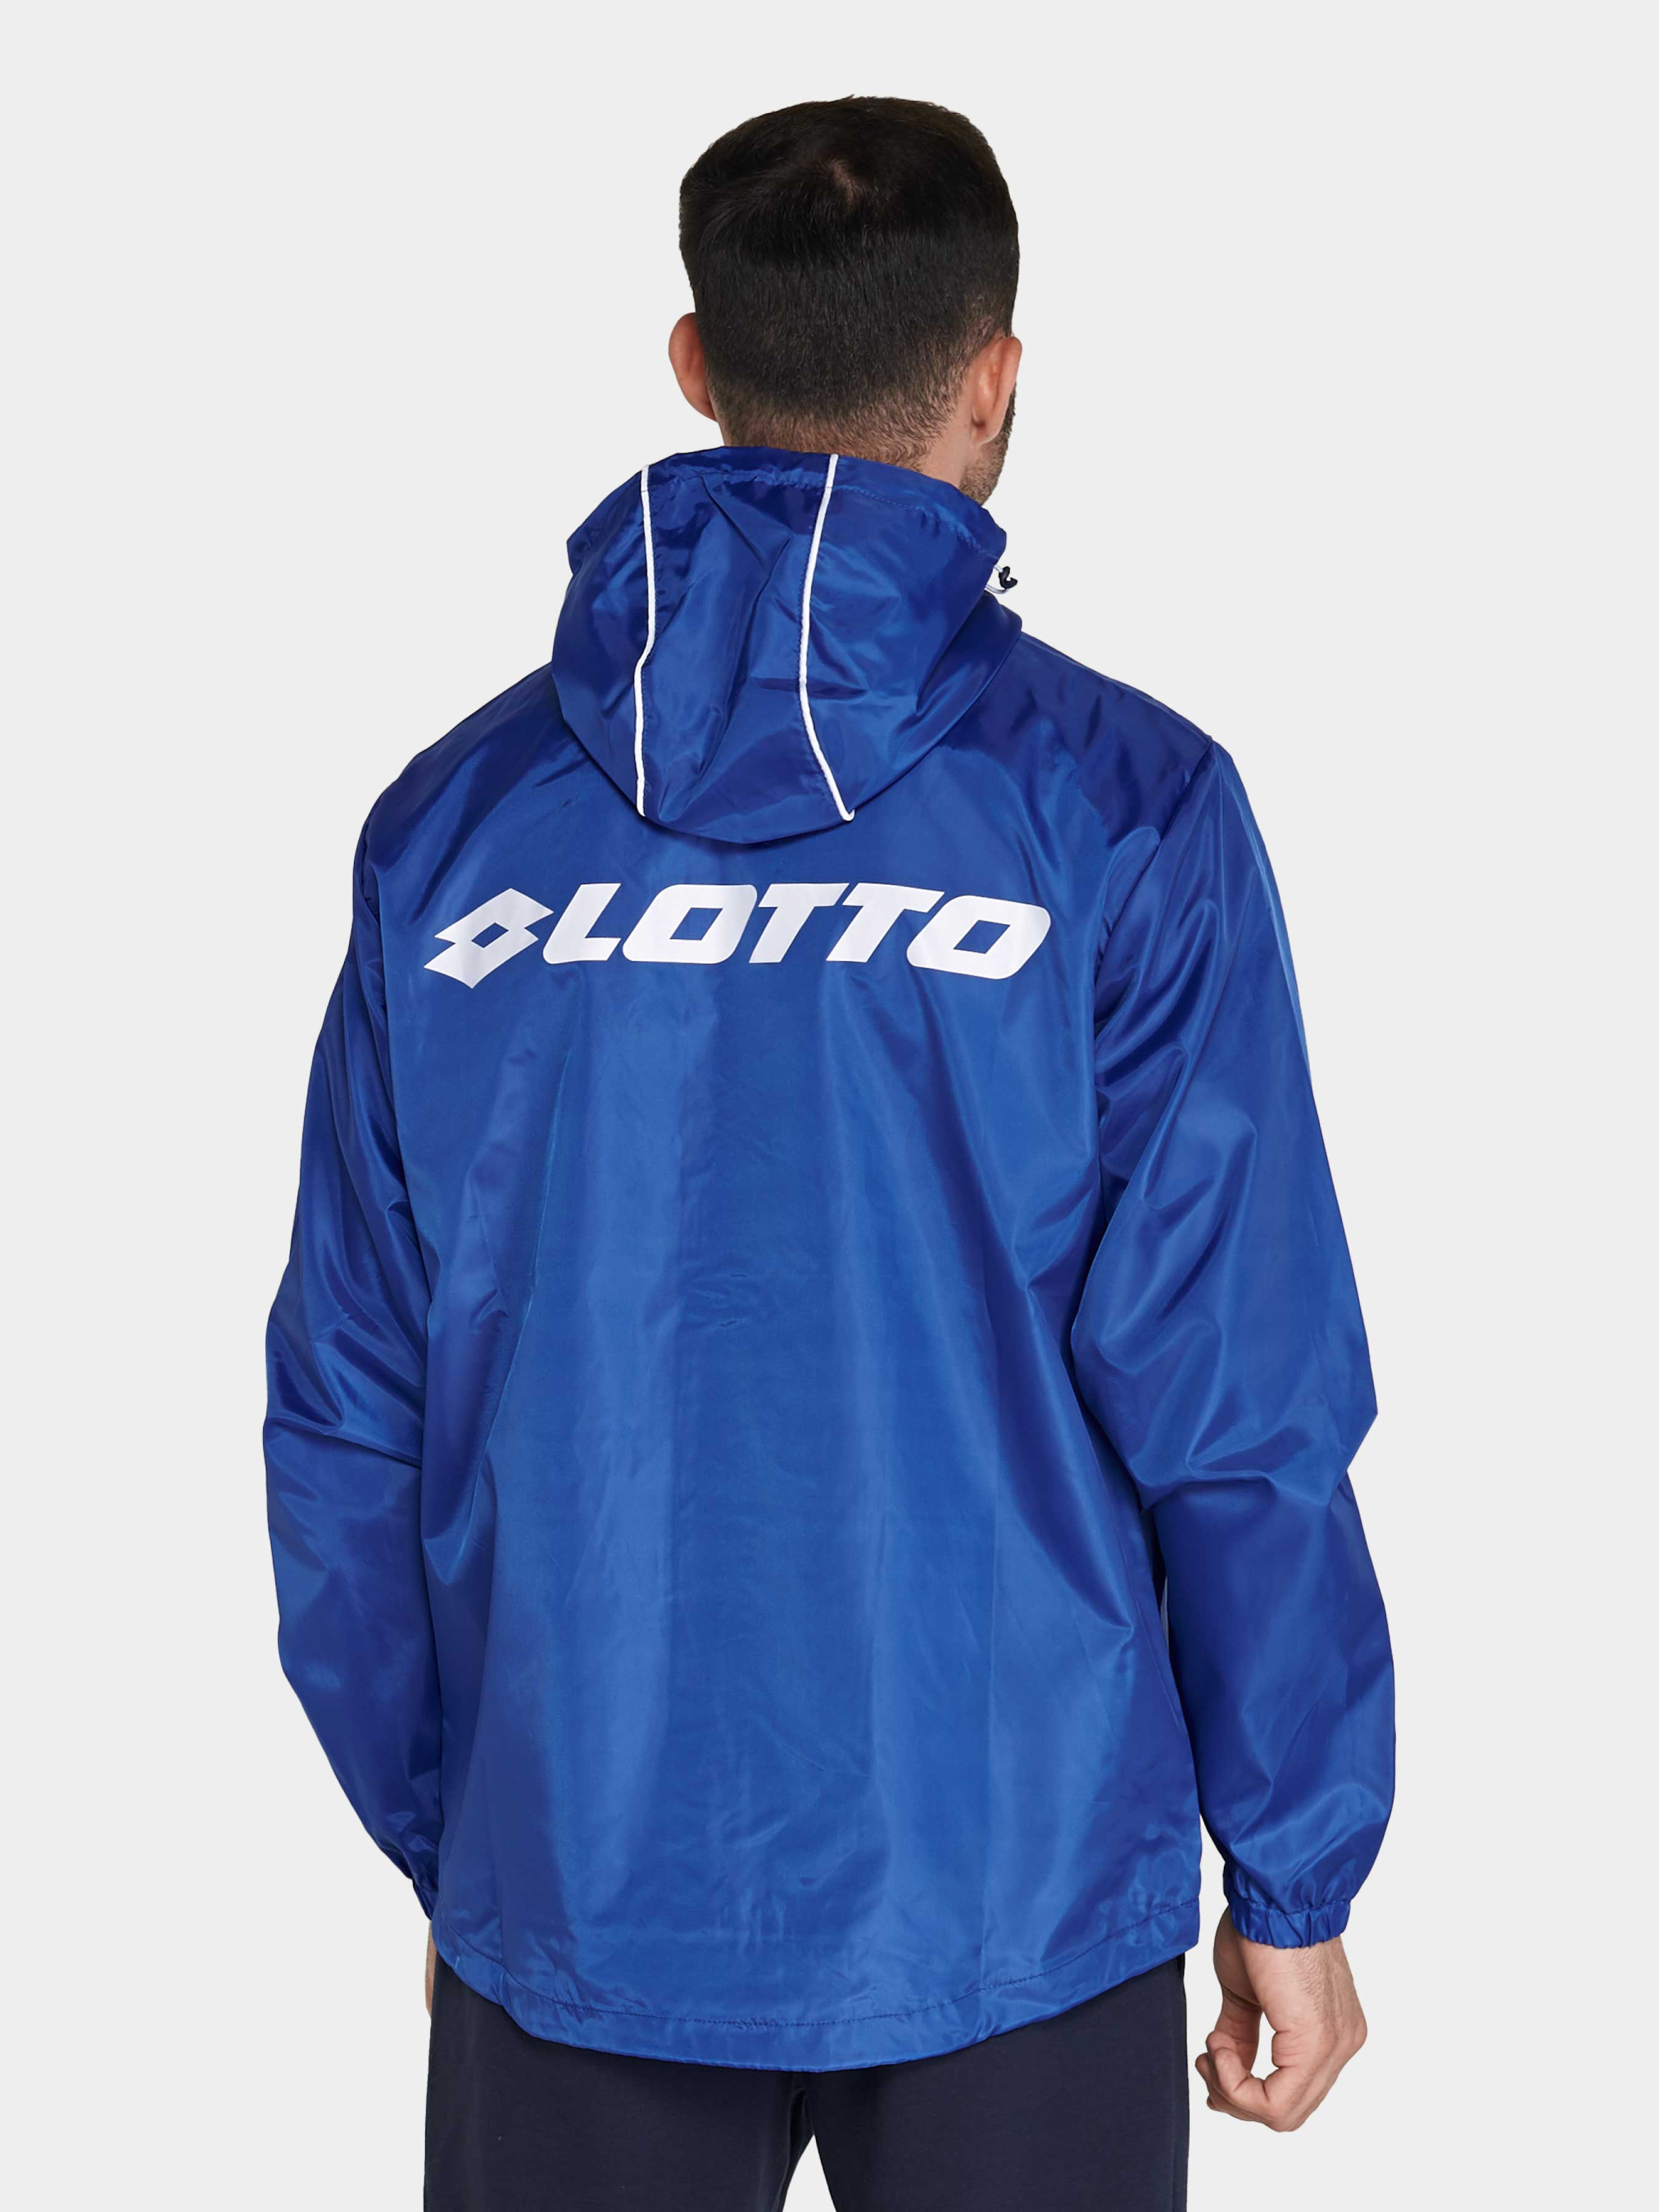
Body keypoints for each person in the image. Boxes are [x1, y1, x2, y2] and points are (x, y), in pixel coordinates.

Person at [265, 95, 1393, 2212]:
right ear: (997, 378)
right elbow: (1238, 1398)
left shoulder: (453, 831)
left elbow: (345, 1406)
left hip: (577, 1866)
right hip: (1017, 1877)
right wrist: (1296, 1869)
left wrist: (472, 1843)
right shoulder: (1126, 809)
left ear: (695, 364)